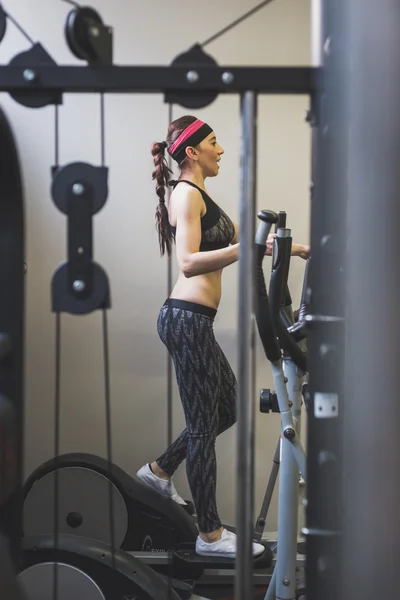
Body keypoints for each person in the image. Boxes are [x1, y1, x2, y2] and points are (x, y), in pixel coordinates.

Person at [137, 115, 310, 559]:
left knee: (227, 407)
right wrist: (251, 247)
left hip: (196, 321)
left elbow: (240, 244)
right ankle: (209, 535)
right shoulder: (185, 195)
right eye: (214, 143)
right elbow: (190, 262)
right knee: (201, 427)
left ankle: (158, 472)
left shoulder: (199, 194)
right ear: (192, 152)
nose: (222, 150)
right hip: (185, 318)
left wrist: (292, 247)